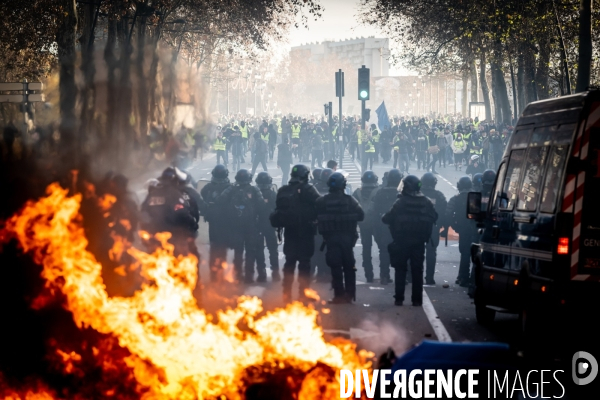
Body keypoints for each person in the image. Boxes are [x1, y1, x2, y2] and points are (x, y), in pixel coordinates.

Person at [383, 175, 437, 306]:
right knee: (417, 270)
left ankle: (399, 298)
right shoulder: (426, 201)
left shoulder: (400, 202)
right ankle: (417, 300)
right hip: (419, 242)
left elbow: (387, 218)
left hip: (402, 241)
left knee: (400, 269)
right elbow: (435, 216)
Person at [270, 164, 321, 302]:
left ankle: (286, 294)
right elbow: (320, 203)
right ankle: (303, 294)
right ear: (305, 175)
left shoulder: (283, 190)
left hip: (290, 231)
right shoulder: (308, 189)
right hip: (306, 230)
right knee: (305, 262)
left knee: (290, 261)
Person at [316, 172, 364, 303]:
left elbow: (314, 215)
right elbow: (361, 215)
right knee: (349, 266)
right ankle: (349, 295)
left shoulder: (322, 201)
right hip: (348, 239)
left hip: (331, 238)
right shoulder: (350, 200)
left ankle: (338, 295)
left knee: (335, 266)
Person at [217, 169, 264, 283]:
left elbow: (220, 201)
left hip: (235, 226)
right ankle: (249, 276)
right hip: (251, 226)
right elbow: (262, 206)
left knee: (238, 251)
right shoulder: (254, 189)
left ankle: (238, 275)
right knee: (250, 251)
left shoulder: (231, 189)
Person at [200, 165, 231, 282]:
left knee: (214, 247)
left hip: (213, 221)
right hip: (226, 221)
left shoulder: (207, 187)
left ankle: (213, 274)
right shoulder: (229, 188)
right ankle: (220, 273)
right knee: (222, 247)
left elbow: (202, 198)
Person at [371, 169, 403, 285]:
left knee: (384, 251)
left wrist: (376, 230)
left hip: (384, 226)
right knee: (401, 253)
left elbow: (375, 213)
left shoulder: (380, 193)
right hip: (400, 228)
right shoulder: (403, 193)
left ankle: (384, 275)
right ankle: (401, 277)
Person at [446, 176, 478, 287]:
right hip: (475, 229)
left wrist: (454, 226)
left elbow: (448, 213)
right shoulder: (475, 197)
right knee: (474, 253)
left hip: (463, 229)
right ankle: (470, 277)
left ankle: (463, 277)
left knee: (465, 253)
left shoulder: (456, 198)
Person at [352, 171, 379, 283]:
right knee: (383, 249)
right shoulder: (379, 192)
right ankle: (385, 274)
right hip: (376, 223)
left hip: (363, 224)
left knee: (366, 248)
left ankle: (369, 274)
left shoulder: (357, 192)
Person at [420, 172, 447, 285]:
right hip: (432, 227)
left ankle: (413, 276)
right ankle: (429, 277)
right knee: (431, 253)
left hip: (417, 227)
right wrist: (444, 227)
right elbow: (444, 213)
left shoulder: (417, 194)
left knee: (415, 252)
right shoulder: (439, 196)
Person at [254, 172, 280, 282]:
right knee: (273, 250)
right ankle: (275, 273)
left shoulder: (254, 194)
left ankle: (262, 274)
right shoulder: (273, 194)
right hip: (270, 225)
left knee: (259, 250)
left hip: (257, 226)